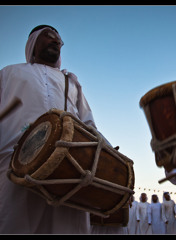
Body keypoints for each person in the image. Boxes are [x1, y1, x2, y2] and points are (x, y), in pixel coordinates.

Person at [0, 24, 101, 234]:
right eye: (48, 36)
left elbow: (89, 124)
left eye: (58, 39)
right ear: (32, 45)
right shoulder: (9, 73)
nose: (56, 40)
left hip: (70, 171)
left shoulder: (71, 82)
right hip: (14, 168)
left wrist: (105, 157)